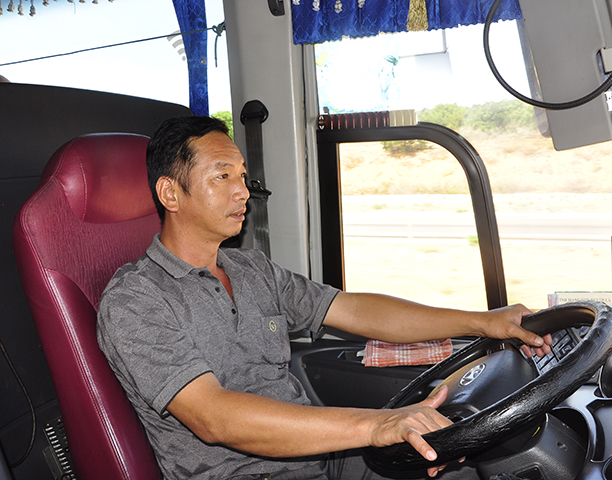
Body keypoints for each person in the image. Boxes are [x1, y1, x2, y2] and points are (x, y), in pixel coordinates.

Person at [96, 116, 553, 480]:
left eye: (243, 175)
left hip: (320, 458)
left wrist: (483, 321)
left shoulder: (251, 269)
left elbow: (352, 309)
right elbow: (214, 417)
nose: (243, 191)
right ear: (170, 193)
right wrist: (376, 425)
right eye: (222, 176)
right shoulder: (136, 299)